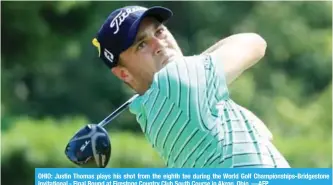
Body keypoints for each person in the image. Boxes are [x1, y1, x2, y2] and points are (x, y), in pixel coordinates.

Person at [91, 5, 290, 168]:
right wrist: (197, 65)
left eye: (159, 31)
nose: (159, 44)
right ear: (124, 73)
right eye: (141, 44)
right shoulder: (173, 83)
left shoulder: (147, 112)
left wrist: (197, 68)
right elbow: (254, 43)